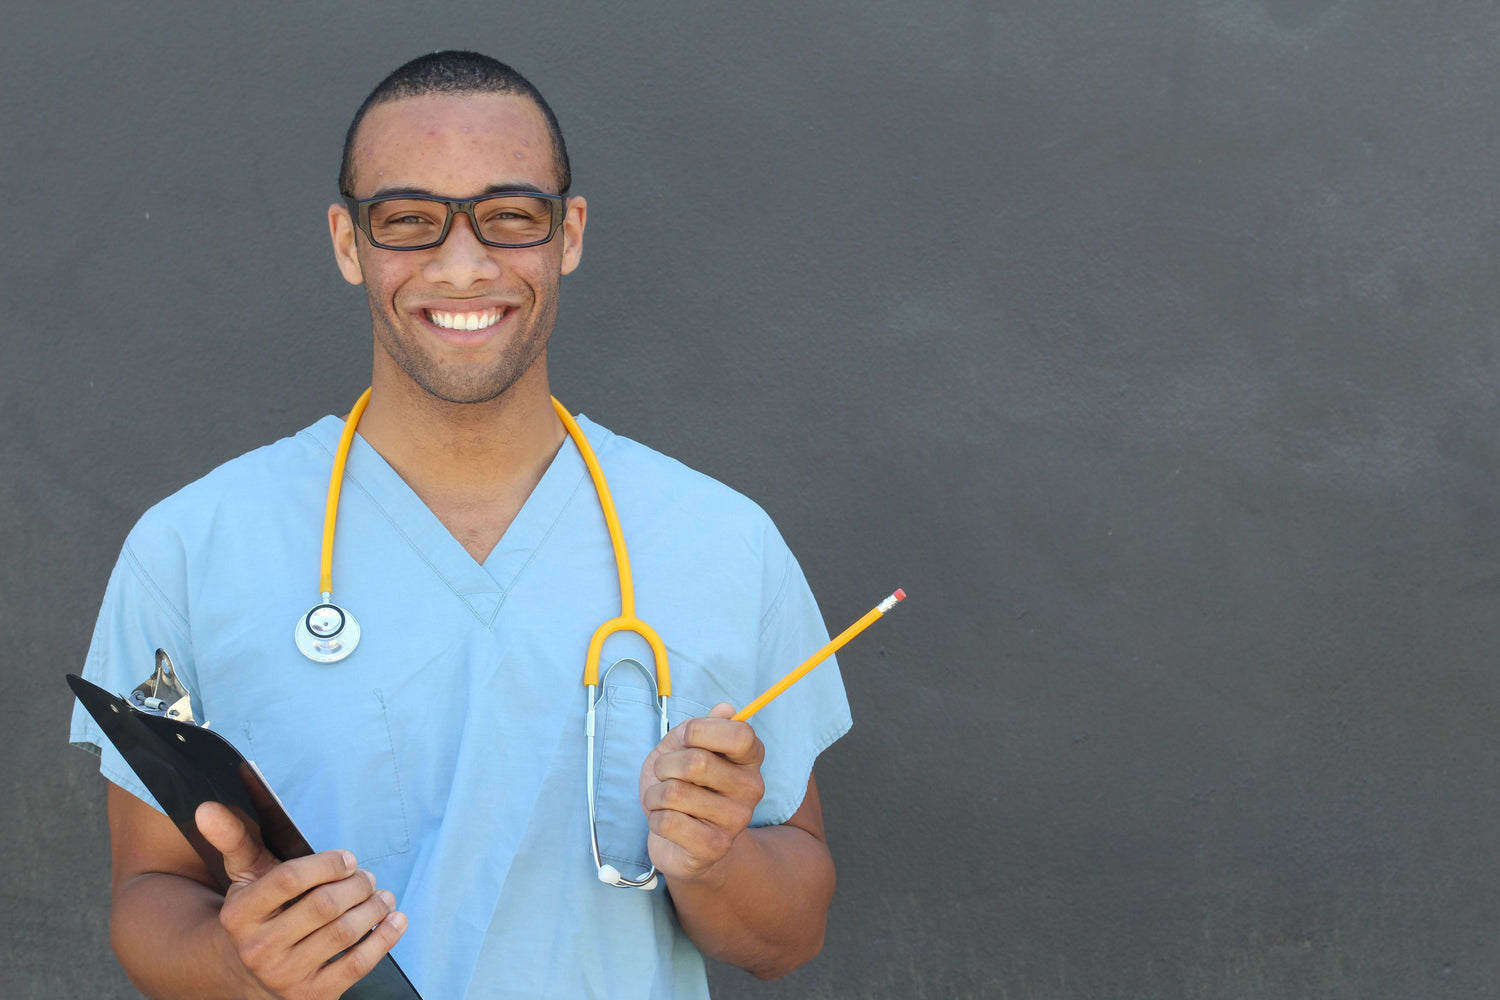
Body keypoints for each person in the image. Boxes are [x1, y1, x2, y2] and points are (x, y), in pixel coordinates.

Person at [68, 51, 850, 1000]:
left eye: (511, 216)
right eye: (408, 221)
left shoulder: (724, 543)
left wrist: (715, 862)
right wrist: (238, 959)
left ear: (569, 234)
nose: (463, 263)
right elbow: (149, 894)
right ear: (348, 243)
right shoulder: (191, 548)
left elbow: (789, 934)